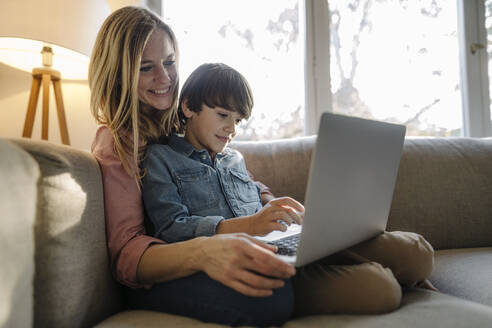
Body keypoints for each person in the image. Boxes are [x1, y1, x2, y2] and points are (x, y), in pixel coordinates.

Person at [89, 6, 436, 327]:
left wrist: (271, 202)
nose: (165, 77)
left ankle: (340, 251)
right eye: (146, 67)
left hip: (261, 240)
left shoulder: (190, 126)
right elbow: (128, 251)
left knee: (415, 253)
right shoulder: (121, 143)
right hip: (185, 263)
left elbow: (242, 185)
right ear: (119, 73)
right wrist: (209, 249)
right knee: (370, 287)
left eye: (169, 61)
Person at [141, 63, 304, 244]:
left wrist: (276, 206)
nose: (232, 129)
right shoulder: (161, 159)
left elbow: (253, 191)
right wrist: (250, 225)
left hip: (269, 245)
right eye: (223, 115)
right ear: (188, 107)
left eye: (238, 120)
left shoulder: (234, 159)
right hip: (224, 260)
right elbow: (171, 228)